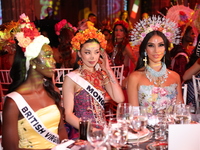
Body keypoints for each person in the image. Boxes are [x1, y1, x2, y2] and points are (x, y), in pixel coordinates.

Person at [2, 13, 68, 150]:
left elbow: (61, 130)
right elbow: (10, 148)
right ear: (32, 61)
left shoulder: (52, 92)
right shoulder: (13, 102)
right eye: (48, 56)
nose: (54, 61)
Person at [62, 27, 124, 139]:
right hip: (84, 133)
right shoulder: (71, 78)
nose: (92, 57)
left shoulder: (102, 75)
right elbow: (68, 115)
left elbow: (119, 98)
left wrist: (108, 69)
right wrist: (92, 130)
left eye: (96, 52)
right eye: (87, 52)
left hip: (103, 132)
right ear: (79, 54)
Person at [127, 16, 183, 115]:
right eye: (151, 45)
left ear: (166, 48)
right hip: (145, 129)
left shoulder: (175, 77)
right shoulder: (135, 77)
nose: (156, 51)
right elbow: (134, 115)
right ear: (145, 49)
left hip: (173, 128)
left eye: (161, 45)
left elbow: (181, 112)